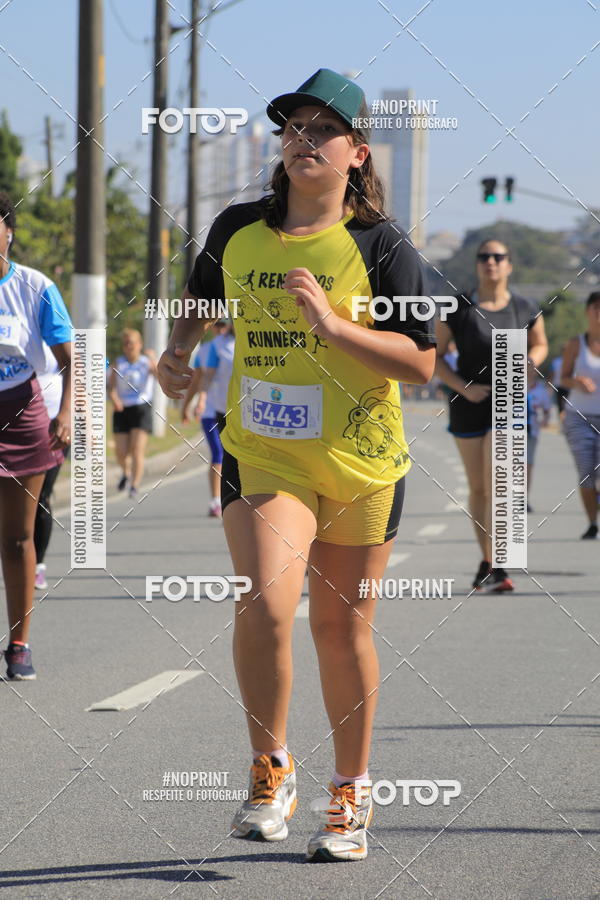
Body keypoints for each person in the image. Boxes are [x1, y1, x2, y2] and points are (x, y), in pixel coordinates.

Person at [157, 69, 436, 862]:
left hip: (363, 459)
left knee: (339, 631)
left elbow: (420, 363)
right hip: (266, 449)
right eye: (292, 129)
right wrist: (178, 355)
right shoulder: (238, 228)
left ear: (357, 152)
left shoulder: (384, 247)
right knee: (269, 608)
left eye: (322, 130)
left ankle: (349, 792)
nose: (303, 141)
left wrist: (331, 325)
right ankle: (270, 768)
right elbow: (201, 299)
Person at [435, 239, 548, 592]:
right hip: (469, 402)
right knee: (479, 488)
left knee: (497, 481)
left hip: (509, 401)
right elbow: (434, 355)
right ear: (477, 264)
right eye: (484, 257)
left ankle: (500, 562)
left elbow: (540, 343)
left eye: (499, 257)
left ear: (509, 265)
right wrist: (463, 388)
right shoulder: (459, 307)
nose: (491, 263)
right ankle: (488, 559)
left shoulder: (524, 307)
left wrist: (533, 362)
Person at [0, 191, 72, 679]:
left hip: (23, 411)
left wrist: (66, 413)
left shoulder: (34, 287)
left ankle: (19, 642)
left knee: (17, 538)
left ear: (8, 232)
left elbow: (72, 358)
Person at [560, 291, 600, 539]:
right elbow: (561, 378)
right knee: (586, 472)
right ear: (587, 311)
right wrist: (576, 382)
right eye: (596, 307)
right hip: (579, 417)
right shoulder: (577, 343)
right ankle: (592, 522)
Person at [181, 320, 229, 517]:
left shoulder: (240, 346)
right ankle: (216, 500)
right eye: (217, 325)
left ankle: (233, 498)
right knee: (218, 454)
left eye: (224, 325)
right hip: (209, 411)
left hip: (234, 411)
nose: (221, 329)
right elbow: (197, 380)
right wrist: (187, 405)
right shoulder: (205, 350)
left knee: (232, 457)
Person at [108, 328, 156, 499]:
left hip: (141, 407)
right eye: (126, 343)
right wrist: (114, 399)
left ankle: (134, 485)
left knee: (136, 449)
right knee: (121, 452)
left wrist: (153, 359)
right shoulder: (118, 363)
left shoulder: (146, 362)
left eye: (132, 343)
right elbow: (111, 386)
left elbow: (160, 376)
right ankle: (126, 471)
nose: (129, 346)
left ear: (139, 345)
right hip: (122, 408)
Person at [34, 356, 68, 590]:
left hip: (54, 431)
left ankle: (38, 565)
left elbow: (78, 375)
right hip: (15, 429)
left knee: (41, 497)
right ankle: (18, 552)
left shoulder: (59, 336)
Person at [526, 370, 551, 512]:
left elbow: (546, 410)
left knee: (526, 467)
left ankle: (523, 499)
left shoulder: (540, 391)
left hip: (531, 433)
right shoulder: (509, 387)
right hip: (510, 433)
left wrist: (545, 421)